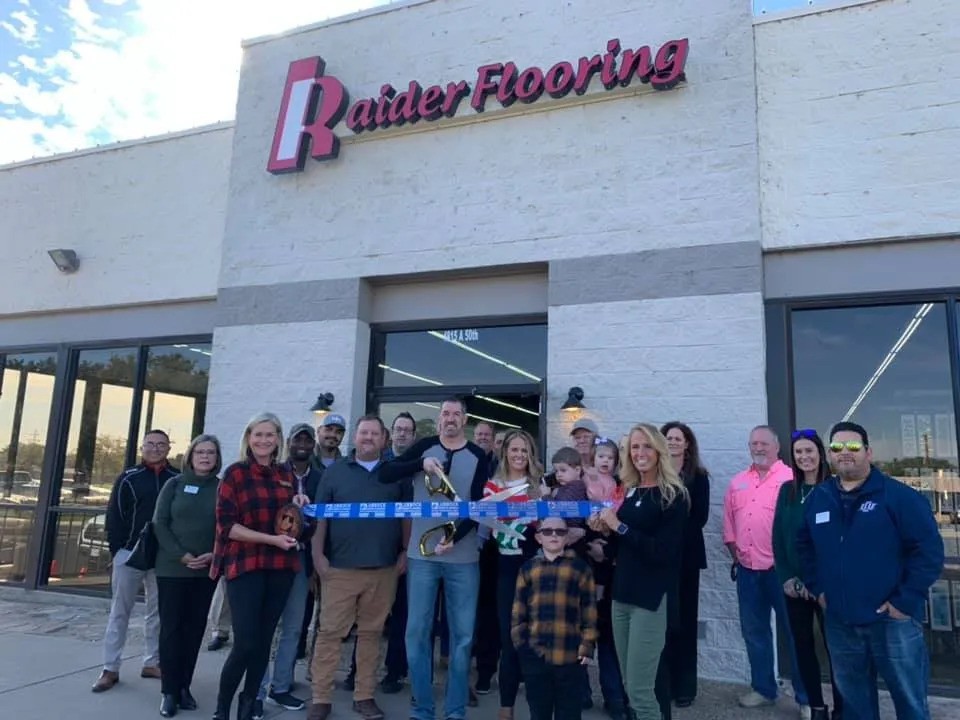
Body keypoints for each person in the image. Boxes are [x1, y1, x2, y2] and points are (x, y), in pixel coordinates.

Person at [798, 422, 944, 720]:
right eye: (837, 448)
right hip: (840, 622)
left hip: (892, 621)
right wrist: (819, 589)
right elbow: (804, 546)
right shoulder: (819, 498)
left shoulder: (899, 497)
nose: (845, 453)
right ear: (830, 455)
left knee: (911, 703)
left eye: (853, 447)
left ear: (868, 452)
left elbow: (928, 552)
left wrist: (905, 601)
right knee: (855, 705)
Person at [379, 397, 488, 720]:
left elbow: (480, 506)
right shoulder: (423, 446)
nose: (450, 418)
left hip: (463, 557)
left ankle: (455, 710)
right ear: (439, 419)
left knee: (463, 636)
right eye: (445, 414)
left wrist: (454, 537)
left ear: (464, 419)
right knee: (417, 631)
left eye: (456, 414)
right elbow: (386, 473)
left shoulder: (479, 455)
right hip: (421, 556)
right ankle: (422, 707)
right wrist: (419, 464)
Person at [307, 416, 410, 720]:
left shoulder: (395, 474)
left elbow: (406, 516)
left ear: (384, 439)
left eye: (374, 433)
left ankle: (364, 695)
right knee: (330, 634)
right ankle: (321, 697)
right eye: (363, 432)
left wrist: (405, 551)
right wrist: (317, 557)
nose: (368, 438)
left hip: (383, 568)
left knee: (372, 634)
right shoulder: (335, 473)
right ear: (355, 437)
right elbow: (320, 517)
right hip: (339, 568)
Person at [210, 413, 306, 720]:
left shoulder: (286, 476)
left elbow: (291, 523)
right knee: (246, 642)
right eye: (258, 434)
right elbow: (227, 526)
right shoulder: (234, 474)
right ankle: (222, 709)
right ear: (248, 438)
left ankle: (248, 705)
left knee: (265, 641)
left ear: (278, 439)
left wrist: (300, 509)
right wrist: (271, 539)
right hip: (245, 564)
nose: (264, 440)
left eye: (270, 435)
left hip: (280, 566)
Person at [723, 425, 808, 712]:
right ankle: (763, 688)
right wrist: (736, 551)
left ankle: (806, 699)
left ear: (776, 447)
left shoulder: (791, 479)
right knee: (754, 632)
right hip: (747, 572)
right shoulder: (738, 482)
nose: (757, 448)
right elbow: (729, 525)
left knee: (795, 634)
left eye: (762, 443)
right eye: (752, 444)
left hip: (781, 572)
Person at [92, 429, 178, 693]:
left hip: (162, 556)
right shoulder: (128, 478)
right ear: (142, 447)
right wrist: (117, 550)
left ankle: (152, 662)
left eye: (161, 444)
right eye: (150, 444)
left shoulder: (176, 479)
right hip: (129, 555)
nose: (155, 448)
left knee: (158, 613)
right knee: (120, 612)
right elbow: (114, 516)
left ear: (168, 448)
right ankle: (110, 668)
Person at [773, 429, 843, 720]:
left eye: (809, 451)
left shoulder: (835, 489)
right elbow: (778, 537)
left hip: (828, 588)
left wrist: (819, 582)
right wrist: (788, 577)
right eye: (798, 453)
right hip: (794, 588)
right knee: (803, 648)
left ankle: (844, 707)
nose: (804, 457)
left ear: (821, 454)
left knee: (836, 649)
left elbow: (839, 541)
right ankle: (816, 705)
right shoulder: (787, 491)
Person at [256, 423, 324, 716]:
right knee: (264, 628)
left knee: (294, 626)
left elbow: (322, 520)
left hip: (300, 560)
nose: (303, 444)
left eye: (308, 440)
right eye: (298, 438)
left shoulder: (321, 478)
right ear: (289, 442)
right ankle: (256, 690)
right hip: (270, 560)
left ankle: (280, 687)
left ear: (313, 445)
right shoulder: (274, 472)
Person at [153, 434, 223, 717]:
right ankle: (169, 691)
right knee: (171, 630)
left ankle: (184, 686)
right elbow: (160, 523)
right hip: (172, 568)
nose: (205, 457)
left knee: (194, 631)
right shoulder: (175, 484)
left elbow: (227, 526)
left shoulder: (222, 488)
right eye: (200, 452)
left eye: (211, 453)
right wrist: (181, 555)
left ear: (217, 459)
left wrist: (212, 553)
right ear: (190, 456)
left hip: (206, 570)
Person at [484, 429, 545, 720]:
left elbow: (547, 526)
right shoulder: (492, 487)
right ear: (505, 452)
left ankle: (537, 707)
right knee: (509, 640)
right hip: (506, 570)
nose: (519, 455)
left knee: (534, 641)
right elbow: (493, 521)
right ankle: (505, 707)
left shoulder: (539, 485)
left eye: (525, 450)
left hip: (535, 569)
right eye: (515, 450)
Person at [512, 516, 598, 720]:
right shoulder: (528, 569)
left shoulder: (580, 569)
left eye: (559, 532)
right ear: (538, 537)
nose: (553, 535)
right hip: (535, 656)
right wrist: (522, 648)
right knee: (538, 712)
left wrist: (587, 645)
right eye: (547, 531)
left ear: (567, 538)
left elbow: (590, 610)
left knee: (569, 713)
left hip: (570, 655)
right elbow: (518, 612)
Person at [660, 422, 710, 708]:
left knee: (686, 622)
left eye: (679, 438)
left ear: (687, 444)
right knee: (664, 623)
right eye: (668, 438)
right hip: (660, 560)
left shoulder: (699, 477)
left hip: (687, 559)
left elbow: (699, 518)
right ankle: (663, 683)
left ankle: (685, 686)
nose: (674, 442)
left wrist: (670, 533)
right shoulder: (655, 474)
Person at [580, 441, 629, 720]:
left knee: (608, 638)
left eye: (611, 457)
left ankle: (614, 697)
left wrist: (607, 548)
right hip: (586, 559)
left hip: (610, 563)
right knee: (583, 632)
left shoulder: (622, 485)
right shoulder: (583, 479)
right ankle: (582, 692)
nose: (605, 461)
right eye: (601, 456)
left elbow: (623, 522)